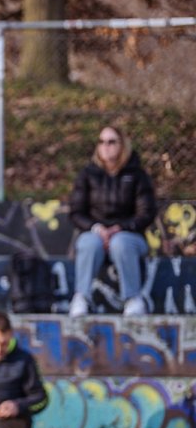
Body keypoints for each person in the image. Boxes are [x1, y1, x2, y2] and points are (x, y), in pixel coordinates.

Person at [67, 125, 158, 317]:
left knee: (121, 243)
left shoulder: (137, 175)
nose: (105, 146)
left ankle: (133, 299)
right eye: (101, 142)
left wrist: (121, 228)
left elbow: (147, 213)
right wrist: (96, 228)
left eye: (111, 142)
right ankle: (82, 298)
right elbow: (76, 212)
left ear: (122, 145)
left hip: (130, 237)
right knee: (88, 243)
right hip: (96, 234)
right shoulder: (87, 175)